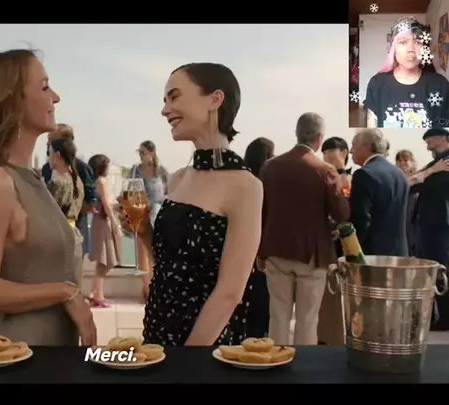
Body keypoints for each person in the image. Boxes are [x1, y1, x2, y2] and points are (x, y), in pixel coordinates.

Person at [0, 49, 96, 346]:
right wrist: (65, 292)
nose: (55, 97)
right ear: (11, 101)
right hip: (21, 360)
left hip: (50, 358)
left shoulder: (30, 178)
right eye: (44, 87)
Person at [126, 62, 263, 346]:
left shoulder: (246, 186)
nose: (165, 110)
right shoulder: (178, 178)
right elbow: (167, 264)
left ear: (215, 99)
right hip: (158, 327)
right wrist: (144, 230)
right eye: (165, 100)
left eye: (174, 97)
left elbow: (230, 293)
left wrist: (188, 360)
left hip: (206, 341)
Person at [259, 112, 350, 346]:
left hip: (276, 250)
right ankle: (303, 364)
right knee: (307, 319)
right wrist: (341, 174)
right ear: (320, 138)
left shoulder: (270, 166)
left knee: (278, 315)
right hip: (312, 255)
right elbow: (342, 214)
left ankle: (275, 361)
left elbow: (261, 211)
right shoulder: (325, 170)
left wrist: (260, 251)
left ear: (296, 133)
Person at [364, 18, 449, 129]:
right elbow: (372, 131)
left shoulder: (440, 84)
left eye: (418, 42)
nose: (411, 49)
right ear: (393, 48)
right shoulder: (377, 84)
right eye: (403, 42)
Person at [411, 128, 449, 331]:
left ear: (443, 139)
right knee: (428, 268)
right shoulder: (437, 163)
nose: (427, 145)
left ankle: (446, 317)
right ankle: (433, 315)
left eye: (430, 140)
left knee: (439, 268)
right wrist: (425, 173)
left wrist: (424, 175)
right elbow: (416, 182)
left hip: (439, 222)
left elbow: (420, 185)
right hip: (429, 222)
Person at [348, 129, 410, 256]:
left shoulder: (363, 174)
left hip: (373, 255)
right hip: (399, 253)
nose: (351, 150)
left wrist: (350, 247)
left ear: (367, 146)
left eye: (354, 145)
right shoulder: (400, 174)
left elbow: (361, 220)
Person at [41, 124, 96, 259]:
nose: (47, 144)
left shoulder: (81, 170)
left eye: (51, 140)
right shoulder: (46, 169)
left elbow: (90, 203)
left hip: (68, 233)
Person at [317, 136, 351, 346]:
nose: (327, 157)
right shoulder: (322, 176)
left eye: (332, 152)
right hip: (326, 241)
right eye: (325, 153)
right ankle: (325, 334)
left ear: (344, 153)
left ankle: (337, 335)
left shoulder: (351, 177)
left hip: (345, 242)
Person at [241, 137, 275, 338]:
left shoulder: (242, 182)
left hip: (244, 251)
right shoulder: (263, 185)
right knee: (261, 304)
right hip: (260, 253)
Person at [128, 140, 169, 302]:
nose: (141, 155)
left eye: (143, 152)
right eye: (139, 152)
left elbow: (168, 192)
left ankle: (155, 288)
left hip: (158, 215)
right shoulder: (135, 170)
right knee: (142, 255)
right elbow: (130, 191)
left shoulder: (161, 171)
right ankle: (147, 289)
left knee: (155, 254)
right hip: (140, 214)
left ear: (152, 153)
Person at [46, 137, 85, 290]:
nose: (48, 157)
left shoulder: (58, 183)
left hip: (58, 239)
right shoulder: (77, 181)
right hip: (74, 236)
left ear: (57, 155)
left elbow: (48, 213)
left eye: (49, 153)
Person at [87, 154, 122, 308]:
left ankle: (94, 293)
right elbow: (106, 205)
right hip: (103, 223)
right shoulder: (101, 182)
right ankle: (98, 295)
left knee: (104, 261)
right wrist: (115, 223)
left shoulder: (99, 181)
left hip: (101, 222)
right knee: (104, 261)